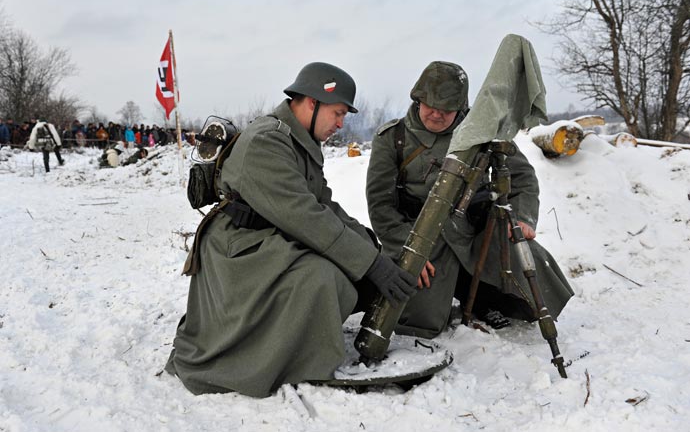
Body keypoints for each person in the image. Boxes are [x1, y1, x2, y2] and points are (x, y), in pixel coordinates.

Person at [165, 62, 417, 398]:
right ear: (312, 102)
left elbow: (325, 204)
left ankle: (300, 341)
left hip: (268, 239)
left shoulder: (298, 139)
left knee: (347, 268)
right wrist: (370, 264)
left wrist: (370, 248)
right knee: (323, 278)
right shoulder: (267, 141)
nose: (341, 124)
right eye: (338, 113)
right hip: (238, 250)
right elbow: (305, 216)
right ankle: (286, 360)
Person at [366, 61, 574, 338]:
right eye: (430, 106)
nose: (437, 115)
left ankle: (485, 297)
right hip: (421, 236)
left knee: (529, 284)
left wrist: (522, 218)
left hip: (476, 233)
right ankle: (451, 293)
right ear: (417, 99)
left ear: (461, 108)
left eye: (447, 109)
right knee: (418, 320)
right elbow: (380, 204)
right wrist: (408, 249)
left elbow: (521, 177)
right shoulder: (393, 138)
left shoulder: (481, 132)